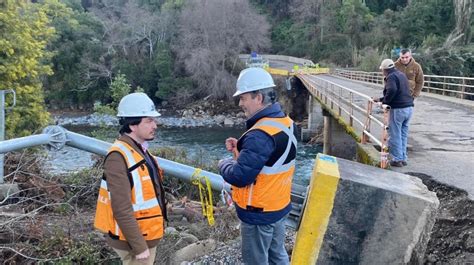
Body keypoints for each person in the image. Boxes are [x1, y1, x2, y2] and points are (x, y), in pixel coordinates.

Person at [218, 67, 297, 264]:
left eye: (243, 98)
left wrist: (224, 163)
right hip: (278, 207)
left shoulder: (259, 134)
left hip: (258, 214)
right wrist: (241, 150)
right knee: (277, 256)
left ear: (259, 98)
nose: (240, 103)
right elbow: (271, 159)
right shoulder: (286, 123)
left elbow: (240, 176)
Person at [94, 92, 167, 264]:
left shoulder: (139, 149)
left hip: (144, 235)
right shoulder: (118, 157)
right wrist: (139, 246)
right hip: (134, 242)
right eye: (149, 120)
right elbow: (121, 208)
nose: (155, 125)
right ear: (132, 125)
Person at [373, 59, 414, 167]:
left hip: (398, 109)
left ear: (385, 70)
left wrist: (385, 102)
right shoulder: (401, 74)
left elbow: (392, 90)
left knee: (395, 134)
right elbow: (400, 91)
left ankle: (397, 159)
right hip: (409, 108)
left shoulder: (391, 77)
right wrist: (381, 99)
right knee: (403, 134)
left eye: (382, 70)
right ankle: (403, 158)